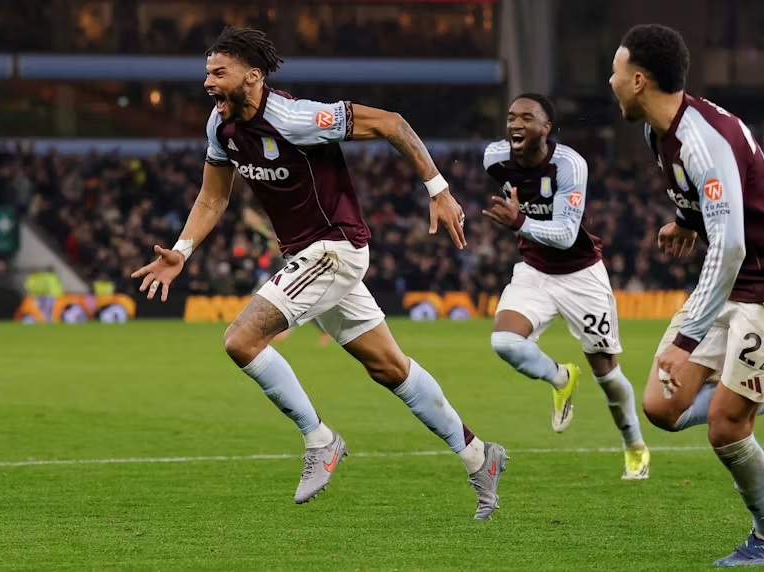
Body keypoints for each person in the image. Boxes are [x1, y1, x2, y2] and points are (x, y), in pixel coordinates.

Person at [131, 26, 507, 520]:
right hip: (309, 257)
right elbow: (212, 197)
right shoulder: (220, 127)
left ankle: (320, 439)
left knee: (241, 340)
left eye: (219, 73)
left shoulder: (296, 117)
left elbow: (392, 123)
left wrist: (438, 189)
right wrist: (182, 249)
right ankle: (480, 456)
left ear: (253, 76)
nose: (208, 82)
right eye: (206, 73)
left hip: (335, 248)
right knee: (389, 368)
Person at [609, 23, 764, 565]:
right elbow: (708, 201)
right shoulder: (657, 131)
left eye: (617, 70)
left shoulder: (700, 140)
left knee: (726, 425)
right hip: (730, 285)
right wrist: (685, 219)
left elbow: (734, 244)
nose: (611, 79)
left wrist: (688, 336)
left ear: (640, 80)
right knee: (661, 407)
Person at [481, 93, 649, 480]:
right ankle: (560, 377)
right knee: (504, 342)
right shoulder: (494, 159)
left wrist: (520, 222)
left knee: (606, 372)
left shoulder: (570, 165)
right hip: (534, 272)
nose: (515, 123)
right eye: (510, 117)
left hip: (581, 276)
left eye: (527, 117)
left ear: (547, 127)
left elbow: (566, 232)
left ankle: (634, 445)